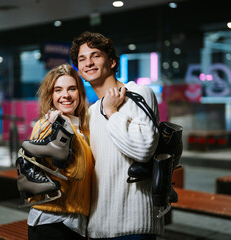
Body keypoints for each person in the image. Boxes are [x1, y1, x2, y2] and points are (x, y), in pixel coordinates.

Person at [70, 32, 162, 239]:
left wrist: (112, 113)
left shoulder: (138, 93)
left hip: (134, 224)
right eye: (82, 59)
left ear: (112, 62)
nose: (88, 62)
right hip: (98, 224)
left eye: (96, 55)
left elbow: (144, 148)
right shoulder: (92, 112)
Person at [25, 64, 93, 240]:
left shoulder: (82, 128)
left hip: (74, 221)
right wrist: (64, 132)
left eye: (72, 88)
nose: (66, 95)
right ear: (51, 95)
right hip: (52, 222)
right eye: (58, 90)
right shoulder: (47, 124)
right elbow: (76, 172)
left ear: (80, 93)